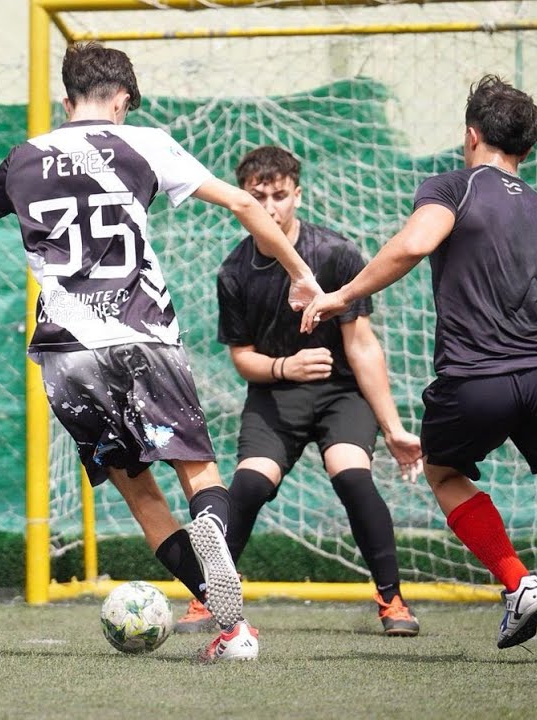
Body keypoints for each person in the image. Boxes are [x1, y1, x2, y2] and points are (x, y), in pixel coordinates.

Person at [0, 42, 323, 663]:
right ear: (122, 100)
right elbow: (241, 203)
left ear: (65, 100)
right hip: (143, 334)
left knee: (142, 497)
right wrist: (300, 274)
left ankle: (231, 626)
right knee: (197, 472)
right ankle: (216, 546)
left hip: (69, 356)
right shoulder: (145, 144)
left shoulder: (22, 159)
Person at [299, 75, 537, 667]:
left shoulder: (453, 186)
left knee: (443, 474)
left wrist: (342, 295)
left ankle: (519, 582)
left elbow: (415, 244)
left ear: (471, 135)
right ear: (524, 147)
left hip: (475, 381)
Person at [173, 146, 424, 637]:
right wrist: (287, 366)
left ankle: (392, 599)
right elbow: (243, 359)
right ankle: (208, 596)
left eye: (281, 196)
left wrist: (393, 428)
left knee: (352, 476)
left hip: (341, 397)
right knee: (246, 486)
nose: (269, 207)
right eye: (257, 196)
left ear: (297, 195)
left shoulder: (335, 254)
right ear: (240, 198)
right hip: (275, 398)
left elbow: (362, 345)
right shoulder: (234, 271)